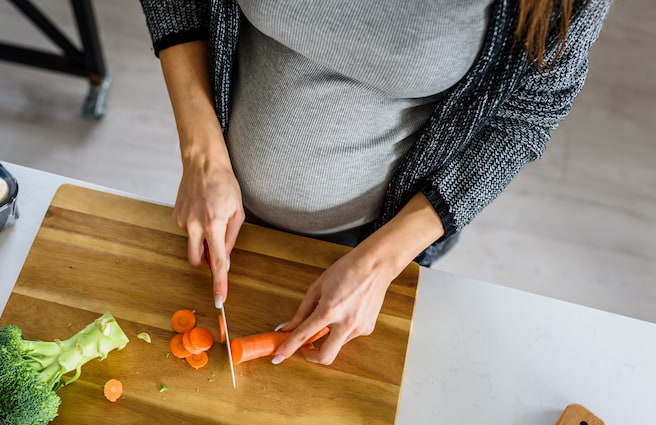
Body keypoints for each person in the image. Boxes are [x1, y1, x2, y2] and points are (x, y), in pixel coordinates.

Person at [138, 0, 612, 365]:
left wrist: (381, 263)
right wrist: (202, 153)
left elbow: (530, 109)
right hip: (227, 204)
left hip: (381, 236)